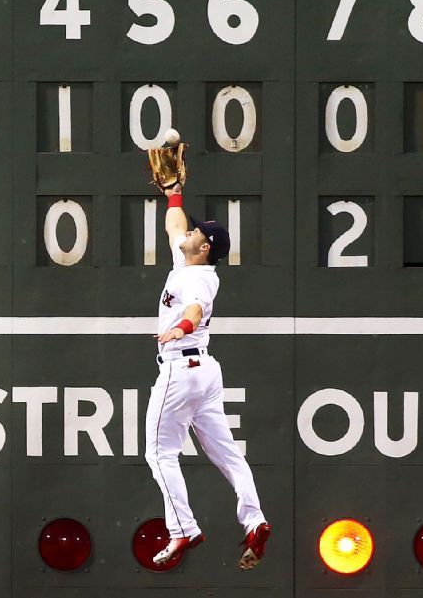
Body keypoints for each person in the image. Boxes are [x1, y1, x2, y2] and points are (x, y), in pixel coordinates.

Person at [146, 183, 271, 570]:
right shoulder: (187, 264)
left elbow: (197, 310)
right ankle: (255, 520)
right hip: (205, 373)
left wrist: (180, 328)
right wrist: (174, 191)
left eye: (197, 232)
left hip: (181, 368)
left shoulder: (199, 279)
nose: (189, 231)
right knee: (229, 455)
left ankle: (183, 529)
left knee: (159, 452)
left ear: (204, 248)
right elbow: (173, 226)